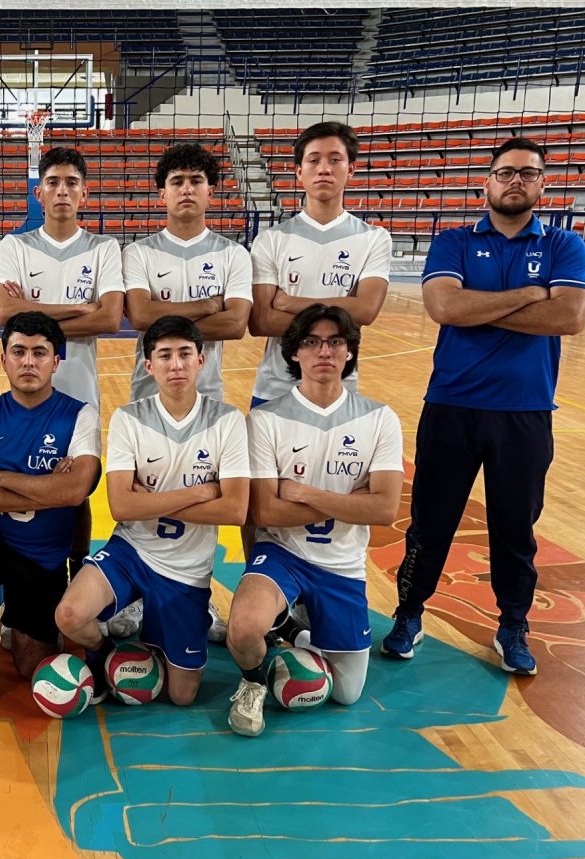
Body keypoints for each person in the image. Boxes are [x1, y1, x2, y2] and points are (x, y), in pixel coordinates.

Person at [385, 137, 585, 675]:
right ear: (488, 182)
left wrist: (476, 307)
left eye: (528, 173)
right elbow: (444, 307)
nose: (516, 181)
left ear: (542, 184)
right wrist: (530, 294)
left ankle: (513, 625)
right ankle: (409, 613)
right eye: (506, 172)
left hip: (525, 412)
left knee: (514, 531)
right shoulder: (453, 240)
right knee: (430, 523)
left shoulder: (564, 245)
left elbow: (569, 317)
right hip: (451, 405)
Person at [226, 304, 403, 737]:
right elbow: (265, 512)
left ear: (349, 351)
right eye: (311, 342)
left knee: (346, 693)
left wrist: (306, 494)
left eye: (335, 342)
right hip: (282, 553)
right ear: (294, 353)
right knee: (244, 629)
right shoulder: (265, 419)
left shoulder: (379, 418)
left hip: (342, 564)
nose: (324, 351)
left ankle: (294, 632)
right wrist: (351, 502)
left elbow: (385, 510)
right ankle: (252, 682)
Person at [54, 316, 250, 707]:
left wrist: (152, 502)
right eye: (164, 355)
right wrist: (201, 492)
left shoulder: (227, 420)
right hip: (132, 551)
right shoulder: (128, 418)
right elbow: (122, 506)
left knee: (182, 696)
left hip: (187, 569)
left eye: (184, 354)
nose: (175, 365)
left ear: (201, 361)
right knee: (70, 615)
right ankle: (105, 653)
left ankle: (181, 618)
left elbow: (235, 509)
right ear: (149, 365)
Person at [245, 121, 393, 638]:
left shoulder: (372, 238)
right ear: (298, 172)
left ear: (351, 169)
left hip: (338, 394)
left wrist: (293, 302)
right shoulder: (273, 238)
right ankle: (265, 594)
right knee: (261, 504)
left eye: (335, 159)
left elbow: (366, 311)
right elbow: (261, 319)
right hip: (273, 389)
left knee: (328, 493)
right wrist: (334, 307)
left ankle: (318, 594)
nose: (324, 168)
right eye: (314, 159)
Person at [0, 311, 101, 718]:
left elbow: (75, 491)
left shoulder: (80, 415)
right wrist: (48, 489)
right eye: (19, 352)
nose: (29, 361)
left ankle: (18, 621)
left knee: (31, 667)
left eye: (39, 353)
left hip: (44, 553)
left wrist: (1, 477)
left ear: (56, 361)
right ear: (4, 359)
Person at [119, 142, 253, 642]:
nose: (187, 189)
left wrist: (170, 312)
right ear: (162, 193)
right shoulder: (139, 252)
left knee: (204, 496)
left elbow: (236, 324)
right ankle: (137, 594)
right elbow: (140, 315)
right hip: (145, 393)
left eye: (196, 180)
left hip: (207, 394)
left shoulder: (232, 254)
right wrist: (206, 305)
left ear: (211, 191)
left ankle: (200, 594)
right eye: (176, 181)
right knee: (144, 490)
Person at [0, 146, 124, 579]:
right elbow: (4, 313)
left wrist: (33, 311)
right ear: (39, 193)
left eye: (71, 183)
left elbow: (110, 317)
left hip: (79, 390)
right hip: (28, 390)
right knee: (26, 479)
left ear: (84, 193)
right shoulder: (15, 245)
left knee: (78, 490)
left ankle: (76, 567)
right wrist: (80, 309)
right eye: (53, 182)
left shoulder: (104, 247)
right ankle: (25, 572)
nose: (62, 191)